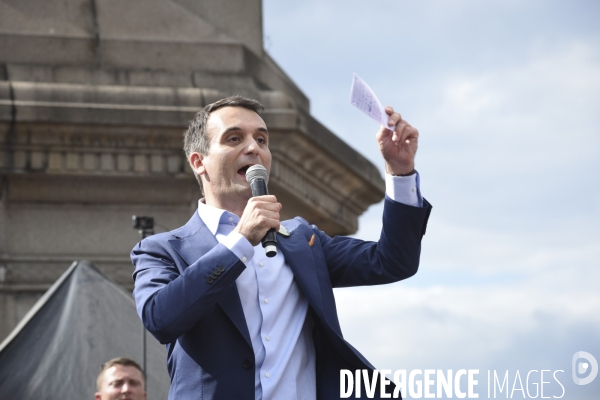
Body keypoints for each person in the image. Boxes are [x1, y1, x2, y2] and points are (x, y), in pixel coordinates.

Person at [131, 96, 432, 400]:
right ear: (199, 162)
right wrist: (241, 241)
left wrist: (401, 171)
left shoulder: (302, 240)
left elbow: (393, 261)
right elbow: (160, 318)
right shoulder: (162, 250)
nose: (254, 148)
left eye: (261, 139)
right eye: (234, 138)